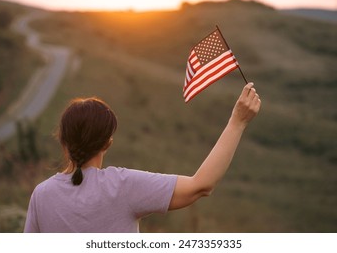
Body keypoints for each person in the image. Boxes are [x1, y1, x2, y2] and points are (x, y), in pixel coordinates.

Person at [24, 82, 261, 232]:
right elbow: (201, 186)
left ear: (63, 140)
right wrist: (237, 122)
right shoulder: (122, 186)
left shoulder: (41, 195)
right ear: (108, 142)